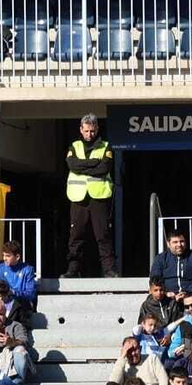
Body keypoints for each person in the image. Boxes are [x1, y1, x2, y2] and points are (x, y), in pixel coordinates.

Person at [65, 114, 117, 279]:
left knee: (103, 235)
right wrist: (93, 162)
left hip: (99, 197)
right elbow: (72, 165)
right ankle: (73, 270)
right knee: (76, 235)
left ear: (97, 129)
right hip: (78, 197)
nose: (89, 134)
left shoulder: (106, 146)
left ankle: (109, 270)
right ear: (81, 130)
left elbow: (104, 168)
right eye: (86, 131)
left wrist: (83, 167)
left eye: (92, 131)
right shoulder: (74, 146)